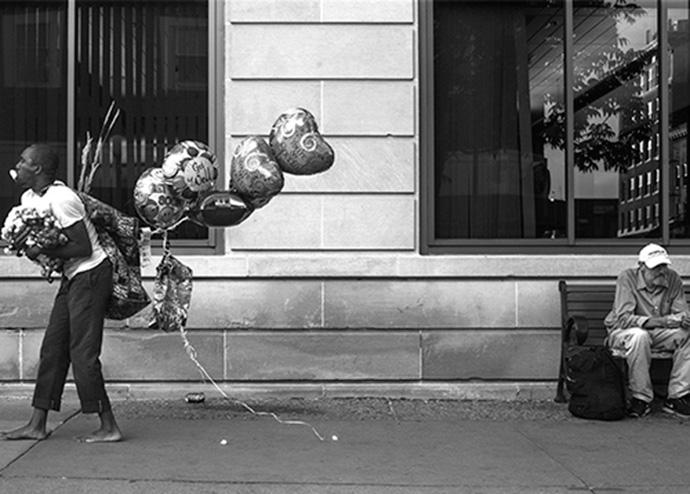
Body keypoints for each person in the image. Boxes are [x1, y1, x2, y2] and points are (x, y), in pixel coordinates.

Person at [1, 144, 122, 442]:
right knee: (53, 350)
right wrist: (29, 248)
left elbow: (83, 247)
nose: (19, 165)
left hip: (92, 274)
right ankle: (37, 424)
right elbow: (46, 241)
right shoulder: (28, 198)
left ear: (38, 168)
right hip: (73, 276)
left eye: (24, 161)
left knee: (83, 352)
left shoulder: (63, 198)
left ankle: (109, 426)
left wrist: (44, 248)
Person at [604, 243, 690, 418]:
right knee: (639, 336)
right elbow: (624, 319)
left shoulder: (672, 278)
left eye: (663, 265)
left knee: (687, 335)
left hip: (658, 332)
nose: (661, 271)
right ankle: (641, 398)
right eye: (655, 267)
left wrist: (685, 319)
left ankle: (678, 397)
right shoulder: (627, 278)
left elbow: (680, 312)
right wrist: (662, 321)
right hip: (623, 332)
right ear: (641, 266)